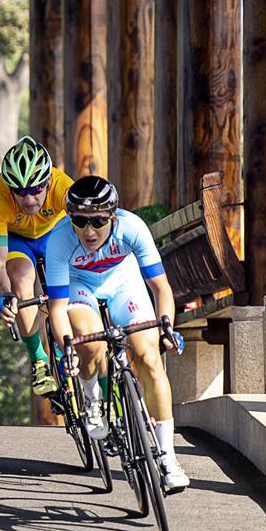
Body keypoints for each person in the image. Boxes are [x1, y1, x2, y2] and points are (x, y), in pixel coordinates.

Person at [44, 175, 190, 491]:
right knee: (91, 340)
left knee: (149, 358)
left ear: (113, 216)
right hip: (80, 288)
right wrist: (67, 347)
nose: (89, 231)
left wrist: (166, 327)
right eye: (80, 221)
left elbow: (160, 287)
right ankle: (92, 395)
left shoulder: (133, 227)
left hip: (124, 285)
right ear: (70, 218)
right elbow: (57, 309)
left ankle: (168, 457)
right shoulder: (58, 241)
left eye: (98, 221)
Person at [0, 136, 75, 395]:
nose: (29, 200)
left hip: (54, 233)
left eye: (36, 190)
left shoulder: (62, 185)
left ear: (48, 182)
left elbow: (87, 237)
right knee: (21, 280)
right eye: (21, 192)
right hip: (17, 240)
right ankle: (38, 359)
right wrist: (6, 294)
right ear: (9, 188)